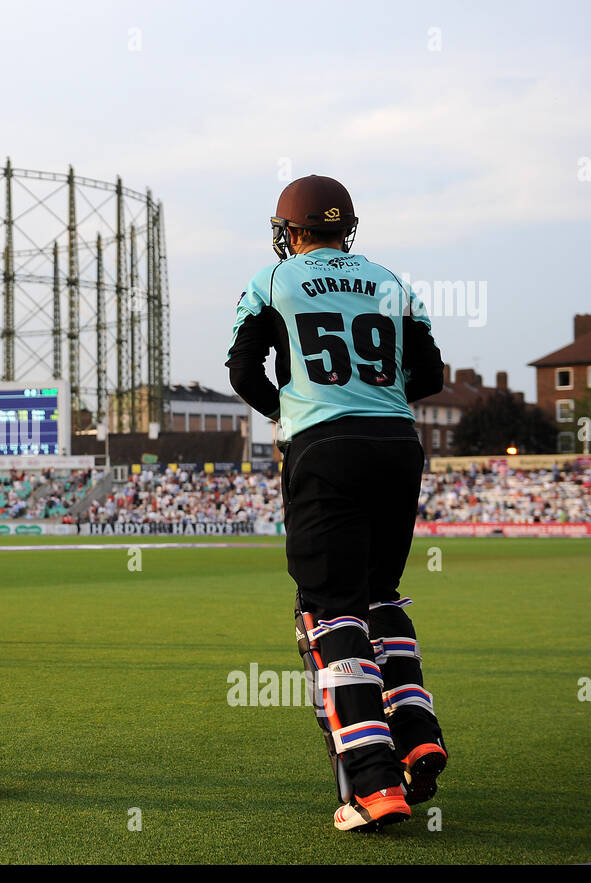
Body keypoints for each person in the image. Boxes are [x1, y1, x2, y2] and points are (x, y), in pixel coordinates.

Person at [226, 175, 448, 832]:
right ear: (347, 227)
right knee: (381, 594)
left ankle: (374, 784)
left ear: (290, 232)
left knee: (330, 611)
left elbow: (243, 372)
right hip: (396, 443)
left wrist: (287, 412)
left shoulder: (274, 280)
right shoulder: (390, 280)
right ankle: (414, 730)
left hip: (324, 447)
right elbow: (431, 375)